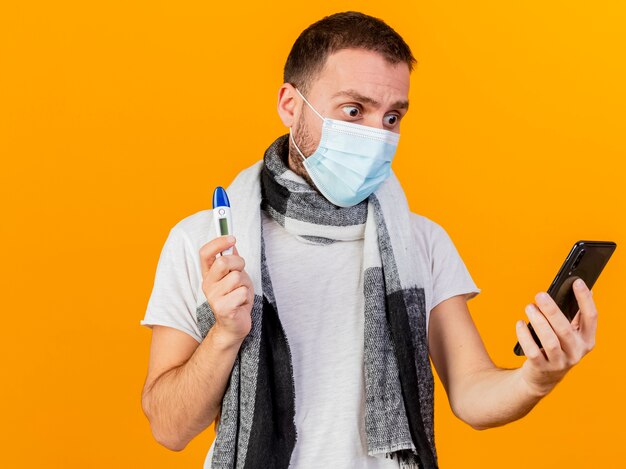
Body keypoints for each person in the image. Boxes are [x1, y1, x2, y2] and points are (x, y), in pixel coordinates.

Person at [140, 11, 598, 469]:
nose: (376, 136)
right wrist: (224, 334)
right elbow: (169, 427)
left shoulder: (421, 242)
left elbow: (472, 394)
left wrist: (536, 378)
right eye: (354, 110)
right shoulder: (207, 243)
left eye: (392, 116)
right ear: (290, 105)